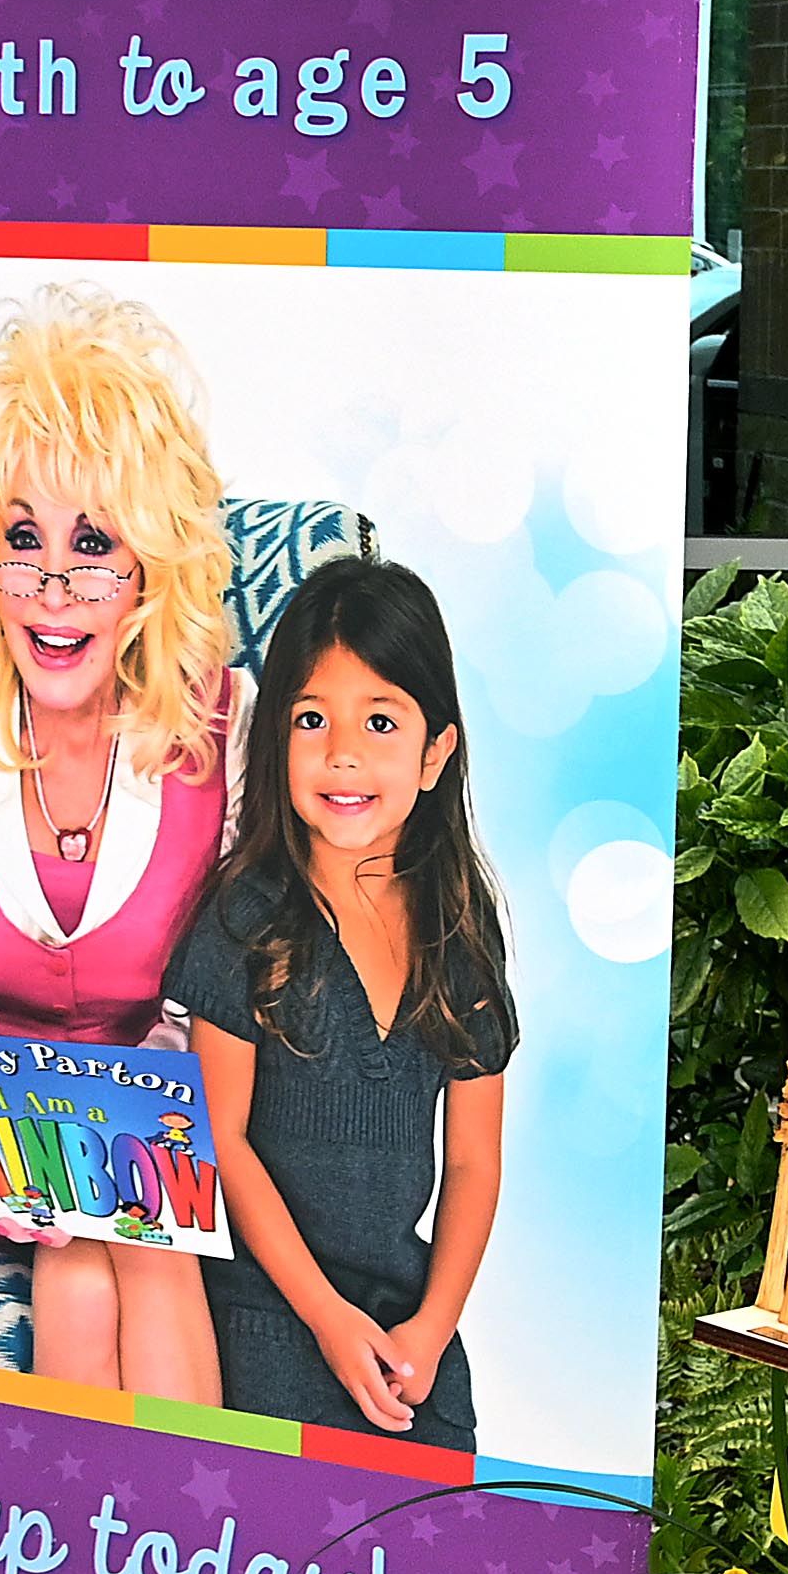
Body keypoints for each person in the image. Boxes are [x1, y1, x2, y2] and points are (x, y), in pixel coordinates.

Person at [0, 284, 239, 1398]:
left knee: (130, 1262)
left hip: (160, 1103)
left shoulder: (224, 719)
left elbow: (265, 933)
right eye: (22, 539)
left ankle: (185, 1543)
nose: (51, 587)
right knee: (85, 1278)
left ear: (152, 561)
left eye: (93, 543)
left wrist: (180, 1047)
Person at [174, 553, 513, 1453]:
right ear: (276, 739)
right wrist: (325, 1317)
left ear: (435, 752)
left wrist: (432, 1331)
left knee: (433, 1552)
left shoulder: (460, 930)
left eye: (381, 720)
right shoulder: (247, 917)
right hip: (267, 1312)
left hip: (404, 1318)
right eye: (312, 719)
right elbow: (222, 1139)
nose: (343, 754)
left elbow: (475, 1162)